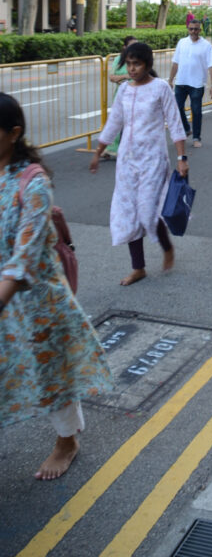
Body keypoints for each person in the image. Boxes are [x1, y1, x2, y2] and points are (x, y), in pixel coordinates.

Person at [0, 93, 113, 479]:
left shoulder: (33, 182)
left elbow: (25, 254)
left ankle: (67, 441)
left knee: (51, 372)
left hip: (35, 299)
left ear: (14, 133)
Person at [90, 41, 188, 285]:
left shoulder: (160, 88)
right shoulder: (124, 89)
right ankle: (138, 268)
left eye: (137, 64)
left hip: (153, 159)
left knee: (147, 210)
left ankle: (167, 247)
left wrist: (181, 158)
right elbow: (115, 122)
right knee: (128, 213)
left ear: (148, 64)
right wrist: (98, 151)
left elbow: (175, 123)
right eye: (129, 64)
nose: (132, 69)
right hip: (127, 161)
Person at [168, 19, 212, 147]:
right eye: (191, 29)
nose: (193, 31)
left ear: (200, 30)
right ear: (188, 29)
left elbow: (211, 65)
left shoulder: (206, 45)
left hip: (197, 83)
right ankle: (186, 128)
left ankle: (196, 138)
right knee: (177, 107)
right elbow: (175, 62)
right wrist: (170, 80)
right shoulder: (182, 43)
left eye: (196, 29)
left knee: (196, 111)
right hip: (181, 82)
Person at [103, 35, 137, 159]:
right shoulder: (119, 59)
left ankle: (130, 149)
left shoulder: (140, 60)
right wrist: (126, 77)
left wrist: (123, 78)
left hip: (137, 95)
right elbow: (112, 77)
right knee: (116, 121)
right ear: (125, 47)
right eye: (131, 45)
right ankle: (111, 148)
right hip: (121, 95)